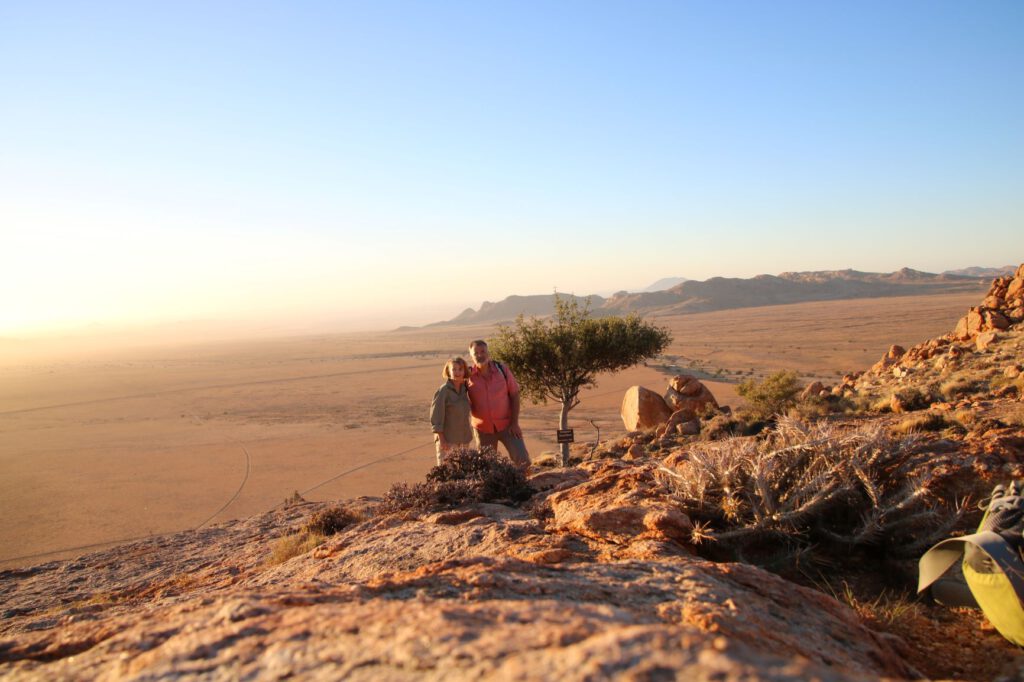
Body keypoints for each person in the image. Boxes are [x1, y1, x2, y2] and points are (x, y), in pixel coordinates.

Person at [466, 339, 530, 470]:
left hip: (508, 425)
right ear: (471, 356)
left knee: (523, 460)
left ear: (488, 353)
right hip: (483, 429)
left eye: (483, 351)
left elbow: (514, 394)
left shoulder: (502, 370)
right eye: (476, 353)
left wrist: (514, 423)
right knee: (488, 467)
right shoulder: (467, 376)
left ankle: (524, 482)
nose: (480, 355)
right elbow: (456, 395)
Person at [429, 357, 473, 465]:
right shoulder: (443, 391)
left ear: (464, 371)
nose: (457, 372)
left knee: (464, 473)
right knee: (447, 473)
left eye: (460, 369)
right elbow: (436, 417)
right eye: (454, 369)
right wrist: (442, 440)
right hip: (447, 442)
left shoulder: (466, 389)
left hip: (464, 441)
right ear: (448, 371)